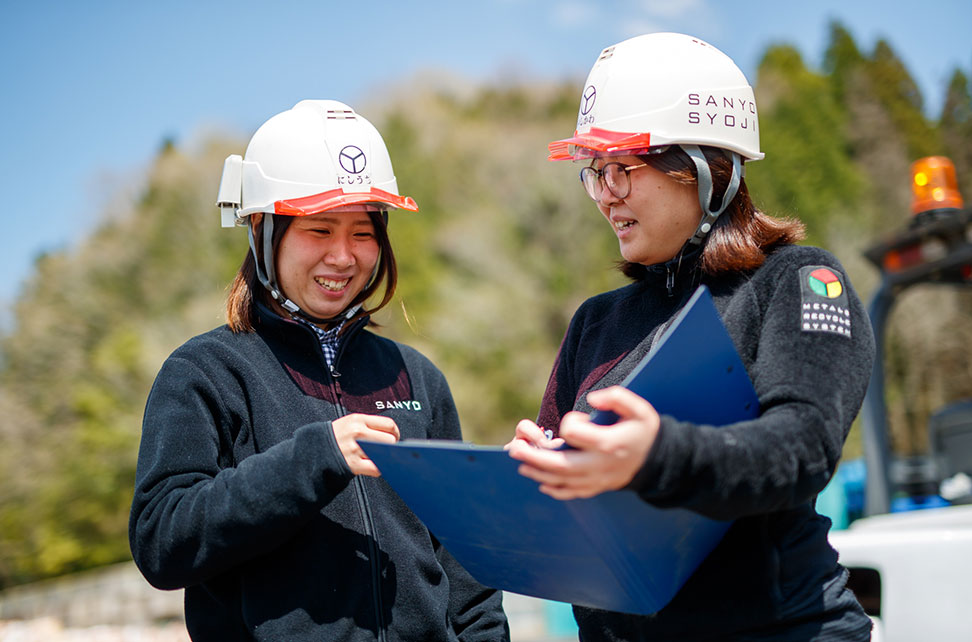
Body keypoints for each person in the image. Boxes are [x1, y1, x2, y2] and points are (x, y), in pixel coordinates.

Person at [507, 33, 875, 640]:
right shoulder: (595, 323)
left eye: (622, 168)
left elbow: (802, 446)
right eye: (595, 173)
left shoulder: (798, 280)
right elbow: (563, 521)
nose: (604, 196)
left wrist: (659, 456)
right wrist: (535, 475)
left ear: (707, 168)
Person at [129, 100, 509, 642]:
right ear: (262, 229)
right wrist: (316, 458)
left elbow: (467, 563)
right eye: (319, 229)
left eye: (362, 232)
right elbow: (162, 541)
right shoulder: (205, 373)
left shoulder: (417, 378)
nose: (344, 256)